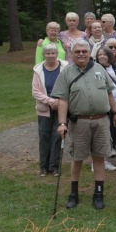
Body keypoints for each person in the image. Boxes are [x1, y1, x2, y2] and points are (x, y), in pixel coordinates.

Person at [52, 40, 116, 210]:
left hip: (101, 120)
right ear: (72, 53)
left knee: (99, 157)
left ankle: (98, 194)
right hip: (79, 122)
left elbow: (109, 92)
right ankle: (73, 194)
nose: (81, 54)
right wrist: (62, 123)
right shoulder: (66, 73)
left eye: (84, 51)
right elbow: (62, 100)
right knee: (77, 158)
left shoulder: (99, 69)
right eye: (78, 52)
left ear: (89, 52)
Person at [32, 43, 68, 177]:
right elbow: (35, 91)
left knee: (57, 136)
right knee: (44, 136)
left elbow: (68, 85)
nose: (51, 56)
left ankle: (55, 167)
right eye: (48, 53)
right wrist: (50, 101)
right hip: (44, 108)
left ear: (57, 54)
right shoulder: (38, 70)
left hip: (61, 107)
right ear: (44, 54)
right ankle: (43, 167)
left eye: (53, 53)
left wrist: (59, 100)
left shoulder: (65, 67)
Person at [95, 47, 116, 169]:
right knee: (101, 133)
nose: (102, 57)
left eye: (104, 54)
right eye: (99, 55)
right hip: (101, 105)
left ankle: (110, 149)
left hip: (115, 103)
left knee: (113, 128)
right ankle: (98, 162)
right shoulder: (94, 68)